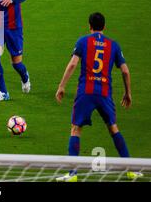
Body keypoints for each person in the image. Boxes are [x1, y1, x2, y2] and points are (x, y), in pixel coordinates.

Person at [55, 12, 142, 182]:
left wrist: (62, 86)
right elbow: (125, 70)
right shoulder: (113, 45)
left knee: (76, 129)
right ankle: (131, 170)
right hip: (104, 94)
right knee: (113, 128)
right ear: (104, 26)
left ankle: (72, 174)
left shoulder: (83, 41)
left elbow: (73, 63)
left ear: (90, 26)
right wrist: (128, 92)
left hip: (85, 93)